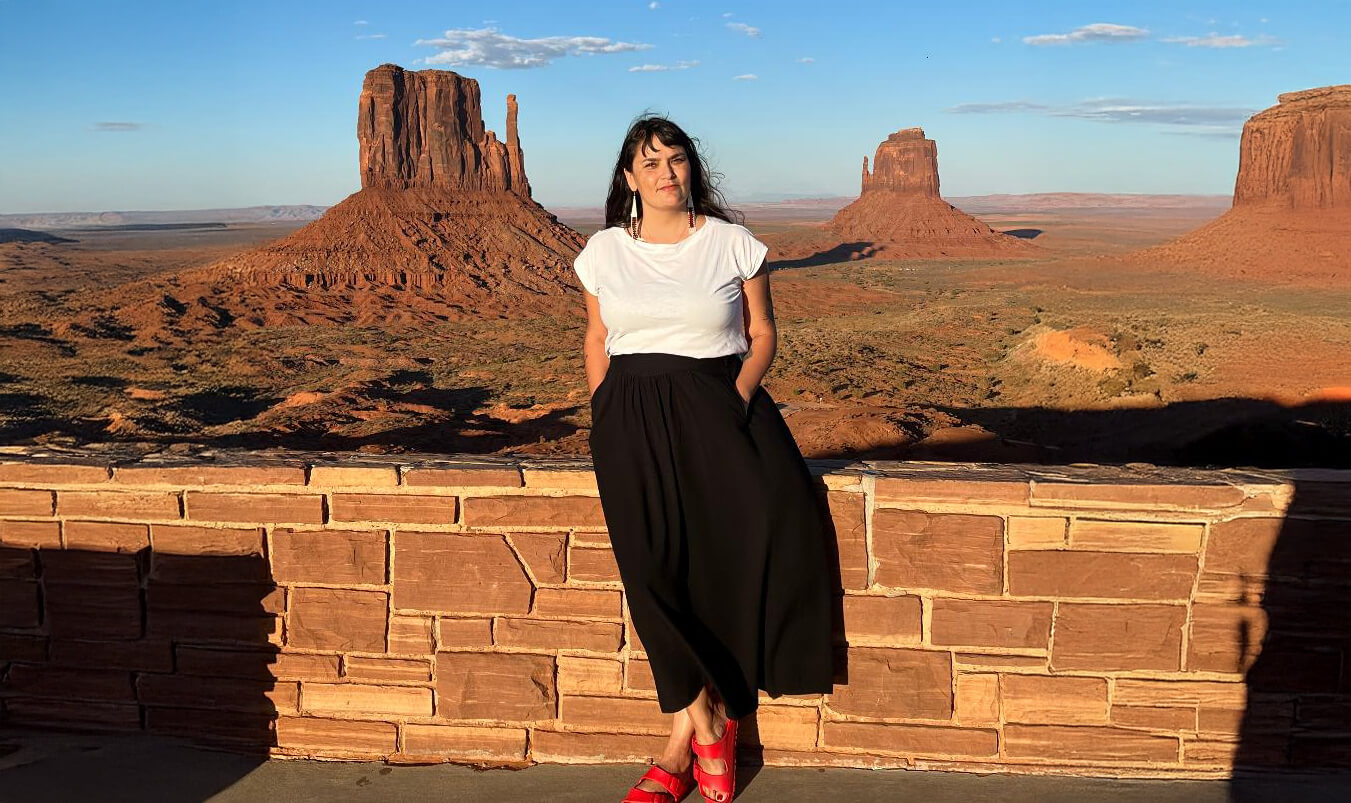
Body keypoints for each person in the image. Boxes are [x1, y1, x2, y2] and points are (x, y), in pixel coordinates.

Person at [574, 115, 835, 803]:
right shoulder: (602, 251)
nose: (665, 172)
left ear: (692, 169)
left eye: (676, 159)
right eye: (650, 162)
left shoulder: (732, 244)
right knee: (650, 578)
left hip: (715, 410)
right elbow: (597, 337)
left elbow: (762, 332)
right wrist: (602, 411)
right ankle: (707, 720)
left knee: (718, 568)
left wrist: (737, 397)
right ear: (628, 178)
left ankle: (678, 746)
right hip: (628, 418)